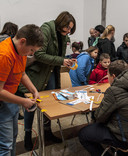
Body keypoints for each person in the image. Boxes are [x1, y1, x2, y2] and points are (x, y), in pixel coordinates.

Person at [0, 24, 44, 156]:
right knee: (4, 146)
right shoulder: (4, 56)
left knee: (11, 138)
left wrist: (33, 89)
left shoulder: (19, 50)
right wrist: (23, 101)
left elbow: (21, 73)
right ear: (23, 41)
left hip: (7, 97)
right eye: (32, 50)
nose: (31, 54)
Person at [17, 11, 76, 151]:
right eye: (67, 28)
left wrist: (66, 60)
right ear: (61, 23)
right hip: (38, 74)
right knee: (32, 104)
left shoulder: (63, 35)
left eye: (70, 29)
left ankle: (47, 131)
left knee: (49, 104)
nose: (68, 31)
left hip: (51, 72)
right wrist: (62, 60)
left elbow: (58, 55)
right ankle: (27, 135)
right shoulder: (47, 29)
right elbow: (39, 54)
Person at [79, 60, 128, 156]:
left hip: (123, 137)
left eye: (108, 75)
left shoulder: (114, 91)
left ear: (113, 77)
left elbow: (99, 117)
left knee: (83, 133)